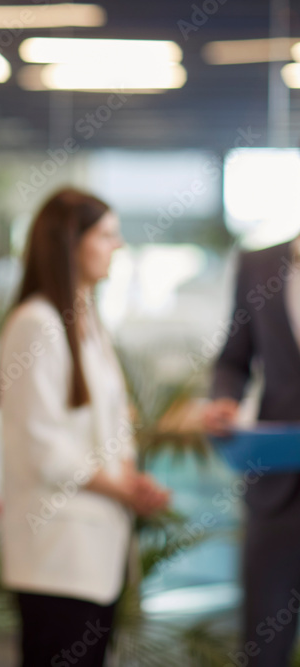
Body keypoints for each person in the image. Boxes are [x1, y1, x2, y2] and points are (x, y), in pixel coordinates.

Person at [0, 187, 169, 667]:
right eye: (107, 235)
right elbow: (42, 448)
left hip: (95, 553)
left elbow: (114, 427)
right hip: (57, 556)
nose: (118, 246)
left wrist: (132, 479)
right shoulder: (37, 323)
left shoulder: (88, 321)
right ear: (72, 243)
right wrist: (123, 488)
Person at [202, 233, 300, 666]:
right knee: (263, 646)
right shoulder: (258, 265)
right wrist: (225, 398)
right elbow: (232, 359)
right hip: (275, 486)